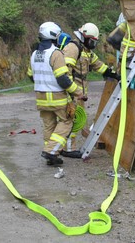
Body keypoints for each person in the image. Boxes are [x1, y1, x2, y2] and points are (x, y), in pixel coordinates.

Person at [27, 22, 85, 166]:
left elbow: (30, 75)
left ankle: (51, 156)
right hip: (56, 97)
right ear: (54, 36)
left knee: (49, 126)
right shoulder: (55, 53)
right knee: (67, 121)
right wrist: (78, 92)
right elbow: (63, 79)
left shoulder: (34, 54)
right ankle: (51, 151)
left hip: (41, 98)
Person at [61, 23, 120, 157]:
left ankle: (66, 147)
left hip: (79, 92)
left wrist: (114, 75)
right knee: (72, 119)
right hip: (72, 91)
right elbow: (65, 71)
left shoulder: (86, 51)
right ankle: (68, 149)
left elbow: (98, 65)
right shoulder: (73, 48)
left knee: (77, 119)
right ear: (84, 37)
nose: (93, 44)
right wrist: (71, 92)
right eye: (92, 41)